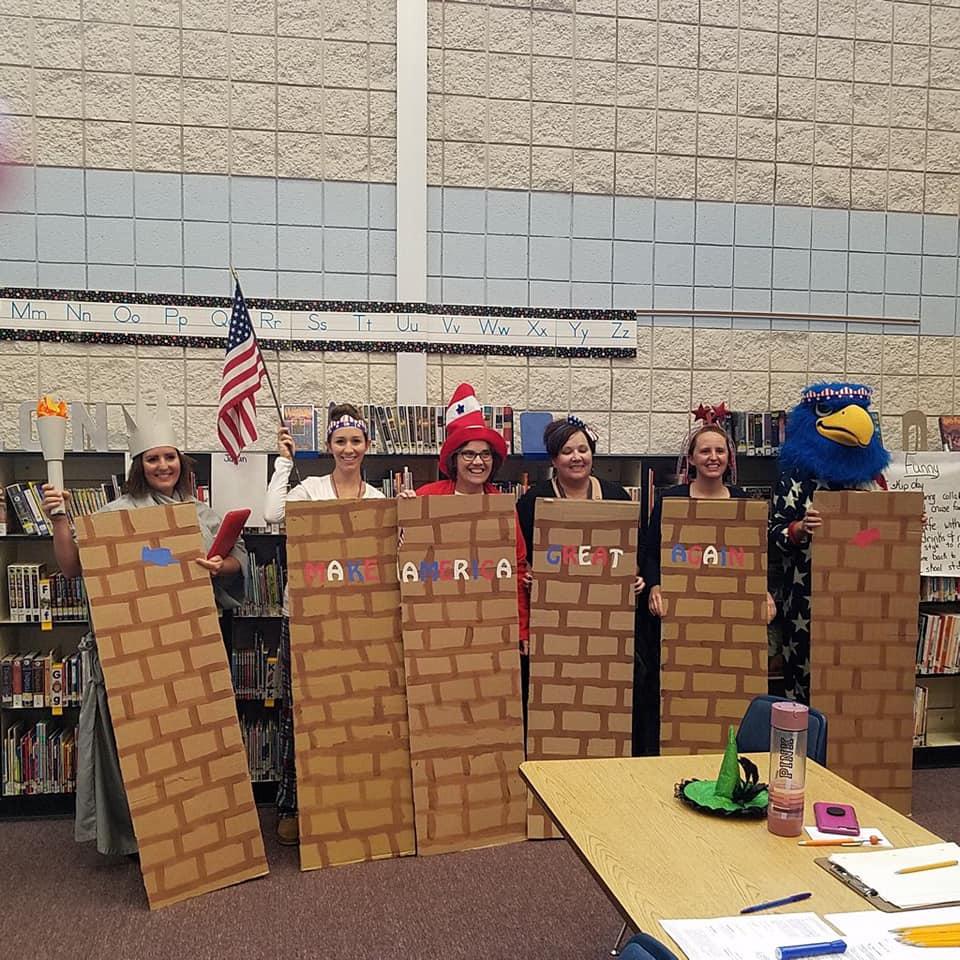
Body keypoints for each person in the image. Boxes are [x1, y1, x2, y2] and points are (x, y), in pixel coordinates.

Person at [40, 396, 248, 858]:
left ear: (181, 462)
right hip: (135, 652)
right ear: (139, 465)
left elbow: (238, 561)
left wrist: (220, 565)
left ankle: (198, 832)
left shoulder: (201, 512)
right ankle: (147, 841)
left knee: (193, 741)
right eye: (153, 458)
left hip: (192, 649)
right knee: (143, 746)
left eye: (169, 456)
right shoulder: (115, 515)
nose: (163, 465)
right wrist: (60, 519)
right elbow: (74, 567)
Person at [263, 402, 385, 845]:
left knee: (351, 709)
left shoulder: (377, 500)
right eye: (340, 442)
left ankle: (345, 795)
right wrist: (283, 464)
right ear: (329, 446)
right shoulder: (309, 490)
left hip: (356, 620)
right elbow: (273, 515)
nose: (348, 449)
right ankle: (292, 804)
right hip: (305, 617)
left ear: (367, 447)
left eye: (356, 441)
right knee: (299, 712)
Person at [637, 411, 776, 754]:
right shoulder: (672, 499)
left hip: (728, 620)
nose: (713, 458)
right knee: (675, 690)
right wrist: (654, 585)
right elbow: (651, 550)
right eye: (705, 451)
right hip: (680, 618)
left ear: (729, 458)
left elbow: (757, 556)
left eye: (720, 451)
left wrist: (765, 593)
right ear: (692, 459)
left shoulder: (743, 502)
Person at [515, 416, 644, 727]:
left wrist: (636, 577)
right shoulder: (534, 500)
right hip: (553, 623)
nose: (577, 458)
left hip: (606, 623)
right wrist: (530, 575)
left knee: (607, 696)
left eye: (583, 449)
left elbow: (631, 552)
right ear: (554, 459)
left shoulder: (617, 497)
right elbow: (521, 554)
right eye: (567, 451)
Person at [409, 382, 530, 660]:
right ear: (455, 459)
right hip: (437, 623)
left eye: (485, 454)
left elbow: (518, 569)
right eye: (469, 454)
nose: (478, 461)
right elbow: (404, 556)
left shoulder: (502, 506)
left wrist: (521, 629)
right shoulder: (426, 498)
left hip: (490, 623)